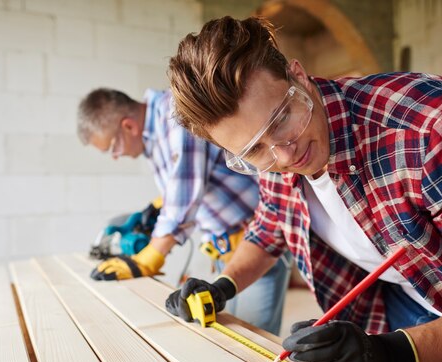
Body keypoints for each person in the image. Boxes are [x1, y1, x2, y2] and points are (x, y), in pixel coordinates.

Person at [164, 15, 442, 362]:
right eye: (254, 150)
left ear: (298, 75)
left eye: (280, 118)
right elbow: (269, 231)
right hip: (393, 300)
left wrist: (391, 356)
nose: (284, 155)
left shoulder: (436, 129)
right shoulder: (275, 157)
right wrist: (223, 286)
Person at [76, 87, 292, 335]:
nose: (116, 156)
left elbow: (184, 196)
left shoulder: (175, 114)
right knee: (229, 335)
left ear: (128, 127)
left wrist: (148, 259)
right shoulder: (154, 135)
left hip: (259, 247)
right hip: (224, 252)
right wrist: (155, 208)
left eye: (112, 148)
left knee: (255, 341)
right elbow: (181, 187)